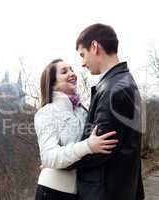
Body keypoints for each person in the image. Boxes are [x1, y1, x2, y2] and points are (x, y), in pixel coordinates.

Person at [67, 23, 145, 200]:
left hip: (105, 192)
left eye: (83, 55)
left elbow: (101, 149)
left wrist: (60, 161)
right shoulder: (122, 81)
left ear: (94, 47)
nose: (83, 63)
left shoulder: (114, 88)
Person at [34, 58, 118, 200]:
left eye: (71, 69)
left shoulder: (83, 111)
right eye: (64, 71)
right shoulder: (46, 112)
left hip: (81, 192)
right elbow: (48, 157)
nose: (72, 73)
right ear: (53, 84)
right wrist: (87, 146)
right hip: (52, 192)